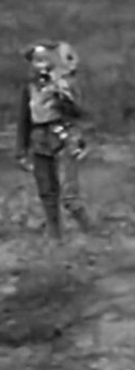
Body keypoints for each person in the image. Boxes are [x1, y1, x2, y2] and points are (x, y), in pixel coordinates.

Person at [15, 40, 91, 241]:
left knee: (69, 195)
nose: (40, 63)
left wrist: (61, 99)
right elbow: (24, 119)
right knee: (47, 191)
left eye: (44, 58)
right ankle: (55, 237)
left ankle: (91, 232)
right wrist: (21, 149)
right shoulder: (30, 88)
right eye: (36, 60)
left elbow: (80, 113)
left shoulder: (67, 83)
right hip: (39, 139)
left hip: (65, 137)